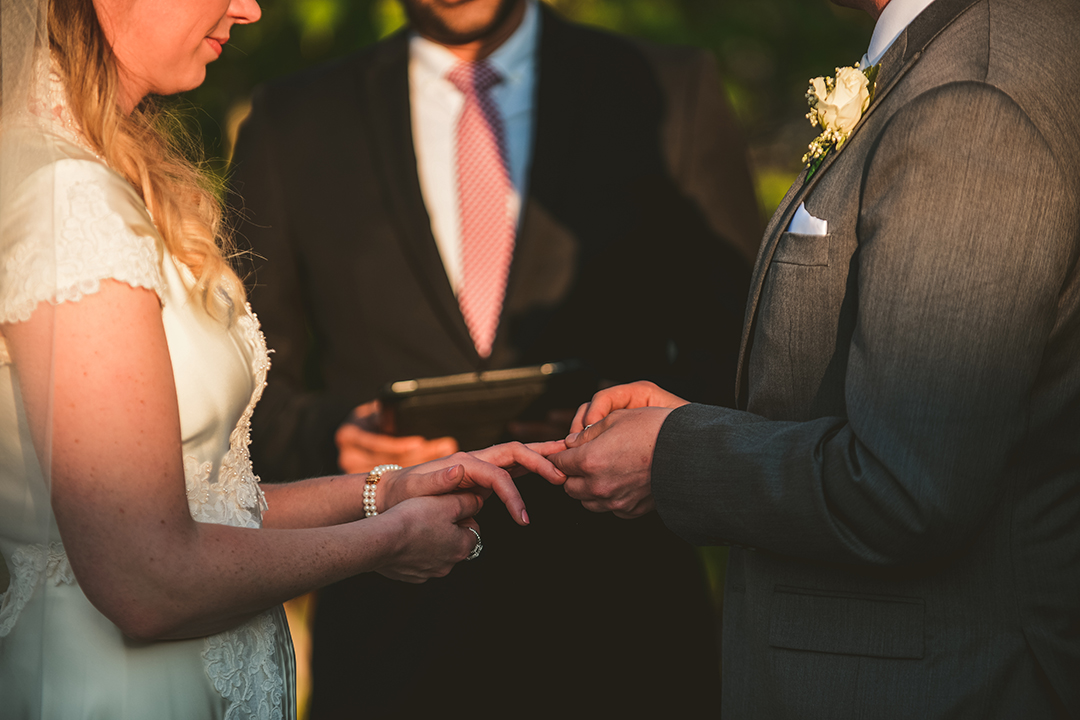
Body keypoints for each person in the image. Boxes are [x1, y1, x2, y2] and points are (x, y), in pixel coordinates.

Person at [0, 0, 565, 717]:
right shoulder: (65, 199)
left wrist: (381, 491)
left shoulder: (88, 172)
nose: (249, 7)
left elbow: (202, 505)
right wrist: (382, 542)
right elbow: (146, 579)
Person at [230, 0, 760, 716]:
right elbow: (246, 397)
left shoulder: (671, 90)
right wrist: (336, 437)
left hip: (625, 636)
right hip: (392, 647)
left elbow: (743, 354)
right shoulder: (292, 121)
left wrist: (660, 443)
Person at [551, 0, 1080, 717]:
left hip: (931, 687)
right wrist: (695, 424)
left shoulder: (974, 100)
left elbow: (906, 487)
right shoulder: (981, 43)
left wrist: (673, 456)